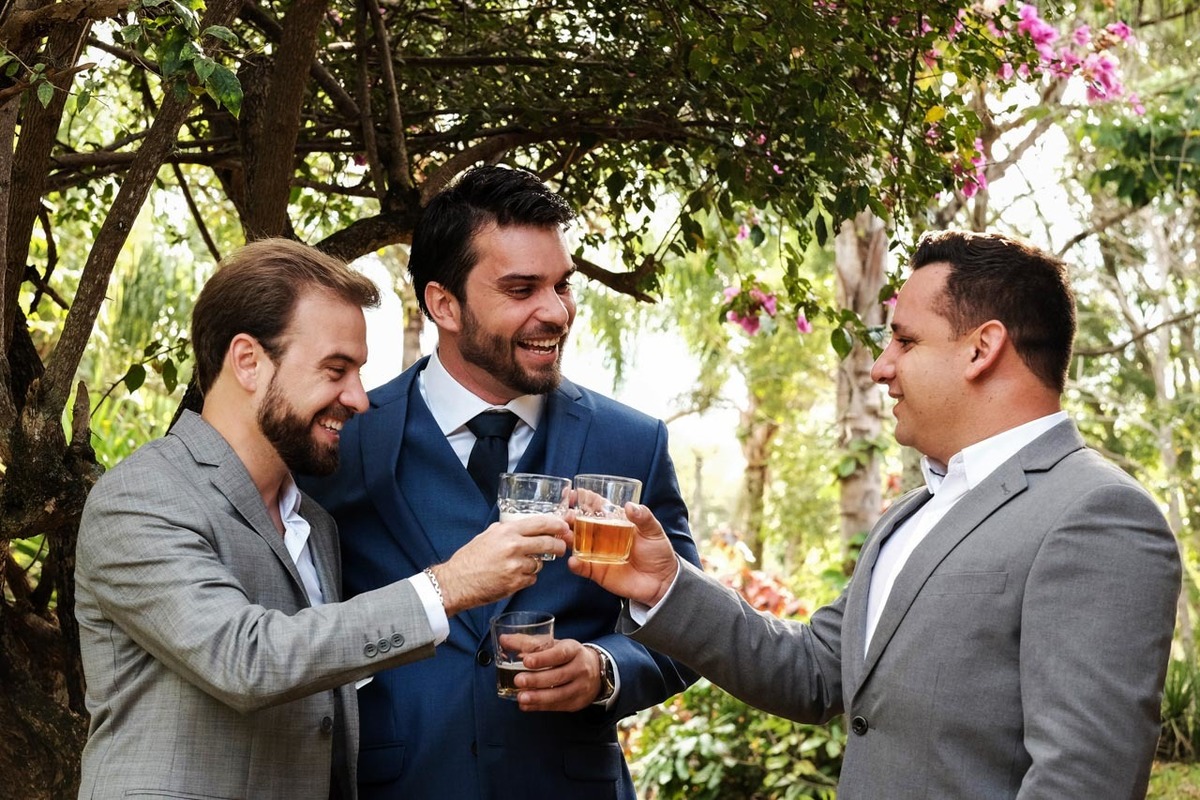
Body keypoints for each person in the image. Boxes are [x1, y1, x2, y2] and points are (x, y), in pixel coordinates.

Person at [569, 230, 1182, 799]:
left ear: (982, 349)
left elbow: (1083, 779)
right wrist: (665, 585)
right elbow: (813, 672)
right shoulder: (912, 513)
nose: (881, 366)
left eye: (906, 341)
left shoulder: (1098, 515)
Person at [74, 238, 567, 800]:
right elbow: (247, 659)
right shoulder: (142, 497)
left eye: (358, 372)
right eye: (336, 370)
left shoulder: (314, 521)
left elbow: (324, 683)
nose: (358, 398)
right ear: (248, 361)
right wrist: (448, 585)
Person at [298, 165, 700, 800]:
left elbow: (690, 631)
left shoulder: (633, 442)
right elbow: (292, 630)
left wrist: (604, 671)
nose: (556, 312)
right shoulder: (345, 439)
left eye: (562, 286)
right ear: (444, 304)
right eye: (521, 289)